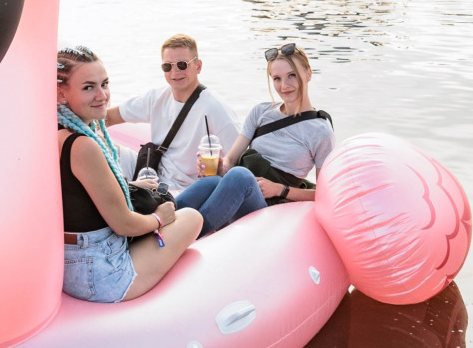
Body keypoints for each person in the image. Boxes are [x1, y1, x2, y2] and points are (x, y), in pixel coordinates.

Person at [56, 46, 202, 302]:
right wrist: (160, 218)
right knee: (191, 216)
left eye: (104, 84)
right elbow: (123, 224)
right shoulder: (83, 145)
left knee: (193, 192)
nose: (102, 95)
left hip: (73, 262)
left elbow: (77, 192)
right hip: (103, 274)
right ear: (61, 94)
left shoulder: (56, 132)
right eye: (88, 87)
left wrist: (131, 185)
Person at [107, 34, 241, 195]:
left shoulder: (215, 110)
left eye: (182, 65)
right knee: (101, 147)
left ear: (198, 66)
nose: (175, 72)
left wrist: (220, 169)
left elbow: (239, 163)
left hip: (181, 189)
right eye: (167, 66)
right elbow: (109, 117)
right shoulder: (156, 98)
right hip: (152, 171)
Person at [212, 43, 334, 207]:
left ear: (308, 74)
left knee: (239, 176)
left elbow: (323, 194)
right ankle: (168, 216)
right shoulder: (261, 112)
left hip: (267, 201)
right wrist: (221, 168)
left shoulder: (320, 131)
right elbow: (232, 159)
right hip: (238, 186)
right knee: (206, 184)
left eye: (292, 75)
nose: (284, 86)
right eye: (277, 78)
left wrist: (280, 190)